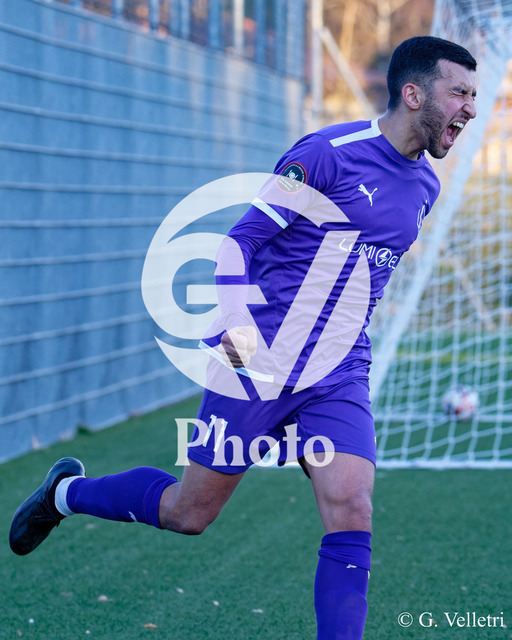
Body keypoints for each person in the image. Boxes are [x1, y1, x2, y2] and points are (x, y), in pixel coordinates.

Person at [10, 36, 477, 639]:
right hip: (256, 363)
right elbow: (240, 241)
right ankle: (66, 493)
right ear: (413, 94)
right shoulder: (326, 155)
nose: (471, 108)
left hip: (337, 371)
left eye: (473, 95)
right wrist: (234, 316)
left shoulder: (425, 188)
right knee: (189, 513)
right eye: (459, 93)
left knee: (352, 507)